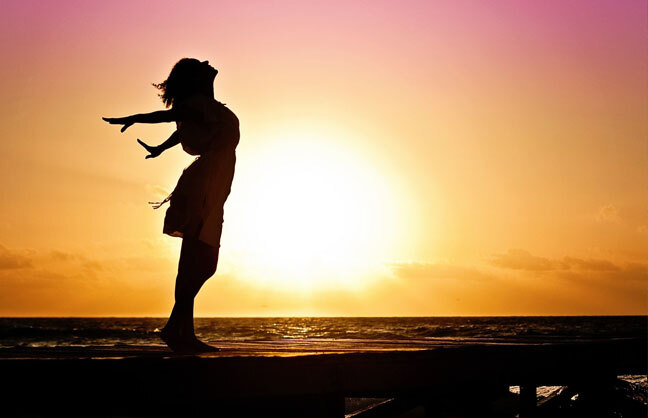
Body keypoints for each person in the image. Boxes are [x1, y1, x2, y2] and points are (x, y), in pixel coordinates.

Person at [103, 58, 239, 353]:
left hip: (211, 187)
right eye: (199, 64)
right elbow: (167, 118)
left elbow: (181, 130)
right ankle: (179, 330)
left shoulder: (207, 107)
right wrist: (136, 118)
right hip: (203, 186)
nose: (207, 61)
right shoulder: (197, 104)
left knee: (200, 261)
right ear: (195, 77)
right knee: (198, 260)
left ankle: (177, 328)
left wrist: (160, 148)